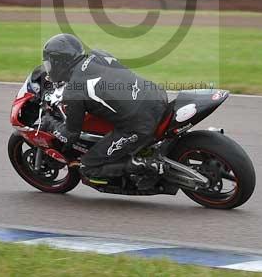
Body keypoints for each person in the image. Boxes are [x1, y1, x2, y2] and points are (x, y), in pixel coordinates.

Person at [39, 33, 169, 182]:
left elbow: (71, 135)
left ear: (60, 63)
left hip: (140, 124)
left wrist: (50, 123)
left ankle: (144, 165)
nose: (49, 69)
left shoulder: (74, 92)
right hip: (156, 96)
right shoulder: (98, 54)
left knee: (88, 168)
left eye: (49, 64)